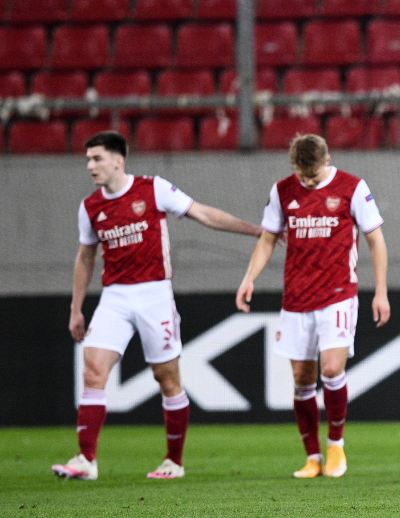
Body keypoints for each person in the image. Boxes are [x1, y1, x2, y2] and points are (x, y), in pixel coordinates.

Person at [53, 131, 263, 481]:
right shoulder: (90, 207)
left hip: (154, 295)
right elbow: (85, 257)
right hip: (115, 297)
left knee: (167, 378)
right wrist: (76, 308)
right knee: (92, 372)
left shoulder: (153, 189)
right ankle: (86, 460)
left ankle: (173, 462)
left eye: (97, 158)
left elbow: (203, 214)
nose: (90, 165)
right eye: (88, 159)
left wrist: (254, 231)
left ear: (118, 160)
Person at [236, 134, 389, 479]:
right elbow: (268, 239)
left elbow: (376, 241)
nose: (307, 182)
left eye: (314, 176)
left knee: (331, 370)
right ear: (294, 166)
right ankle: (312, 457)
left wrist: (381, 292)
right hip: (297, 298)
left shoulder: (352, 188)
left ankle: (336, 445)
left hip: (338, 293)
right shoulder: (282, 191)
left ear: (327, 160)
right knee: (301, 380)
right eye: (302, 175)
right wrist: (249, 279)